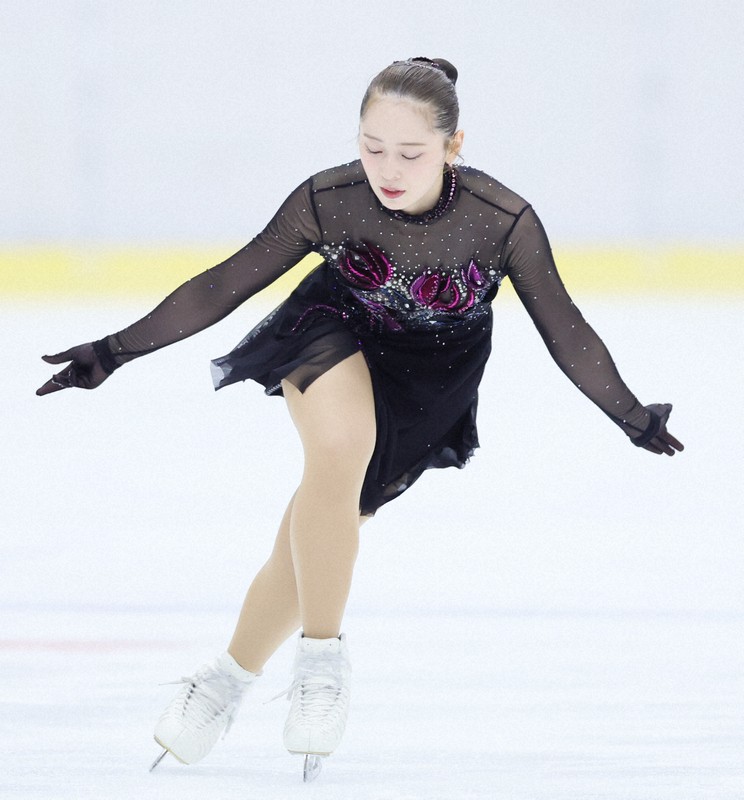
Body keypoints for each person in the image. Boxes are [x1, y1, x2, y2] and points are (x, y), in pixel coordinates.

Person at [36, 57, 684, 778]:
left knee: (318, 537)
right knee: (339, 450)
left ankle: (223, 681)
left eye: (410, 152)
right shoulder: (332, 199)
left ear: (453, 145)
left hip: (431, 377)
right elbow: (227, 280)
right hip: (332, 326)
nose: (388, 168)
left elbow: (564, 326)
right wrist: (114, 351)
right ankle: (323, 666)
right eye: (372, 147)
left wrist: (629, 414)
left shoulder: (501, 221)